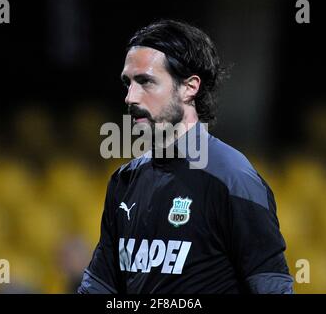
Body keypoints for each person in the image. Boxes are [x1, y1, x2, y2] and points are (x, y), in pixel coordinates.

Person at [78, 20, 293, 294]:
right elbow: (100, 286)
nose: (130, 98)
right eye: (127, 83)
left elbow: (272, 288)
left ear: (189, 87)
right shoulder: (124, 182)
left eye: (145, 82)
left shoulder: (234, 180)